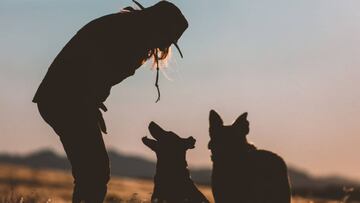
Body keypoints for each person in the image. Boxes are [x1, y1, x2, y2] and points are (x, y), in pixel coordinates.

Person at [33, 1, 188, 202]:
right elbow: (92, 66)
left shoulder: (127, 30)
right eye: (166, 37)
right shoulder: (128, 35)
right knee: (94, 172)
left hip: (66, 98)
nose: (163, 45)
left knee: (92, 171)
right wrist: (88, 101)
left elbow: (96, 70)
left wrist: (91, 101)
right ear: (158, 26)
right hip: (66, 99)